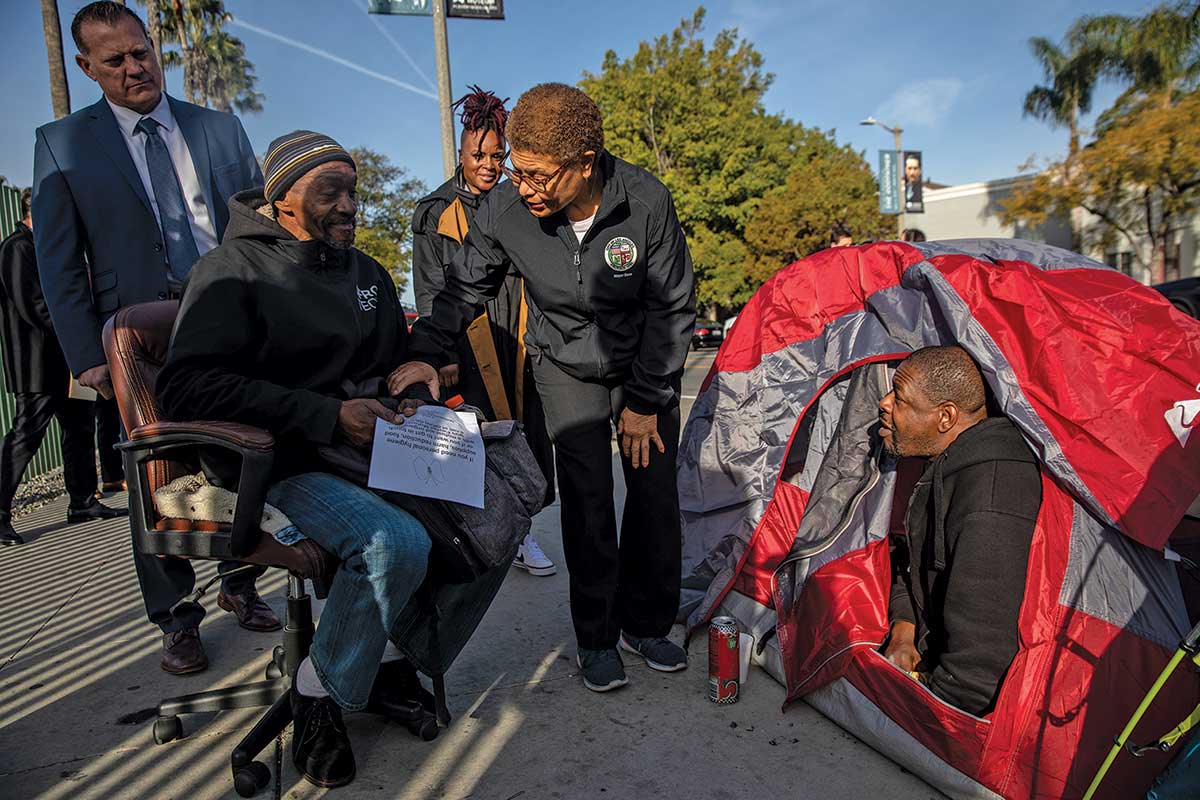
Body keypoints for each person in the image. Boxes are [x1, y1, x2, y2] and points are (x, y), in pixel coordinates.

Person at [157, 132, 443, 788]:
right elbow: (184, 386)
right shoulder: (232, 270)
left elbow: (390, 359)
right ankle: (319, 693)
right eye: (329, 192)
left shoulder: (365, 272)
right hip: (277, 462)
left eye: (353, 191)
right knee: (393, 543)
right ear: (283, 198)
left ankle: (385, 656)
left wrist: (415, 376)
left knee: (489, 506)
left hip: (367, 451)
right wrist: (324, 416)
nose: (349, 206)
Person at [391, 83, 696, 693]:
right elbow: (460, 290)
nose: (521, 186)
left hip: (642, 364)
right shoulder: (507, 210)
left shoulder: (645, 201)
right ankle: (597, 635)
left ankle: (646, 622)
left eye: (537, 175)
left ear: (585, 164)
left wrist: (644, 400)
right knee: (587, 503)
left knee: (654, 495)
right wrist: (425, 353)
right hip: (563, 366)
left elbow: (672, 306)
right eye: (516, 170)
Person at [32, 1, 272, 675]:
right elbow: (58, 261)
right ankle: (176, 617)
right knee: (155, 474)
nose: (135, 67)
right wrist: (86, 357)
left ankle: (240, 580)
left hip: (225, 323)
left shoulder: (219, 130)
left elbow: (260, 234)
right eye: (115, 60)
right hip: (134, 339)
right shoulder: (63, 144)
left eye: (141, 52)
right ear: (86, 67)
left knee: (238, 459)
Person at [411, 85, 556, 577]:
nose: (490, 164)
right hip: (466, 343)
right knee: (471, 440)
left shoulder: (519, 201)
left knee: (525, 438)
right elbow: (432, 284)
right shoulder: (435, 211)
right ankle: (471, 537)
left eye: (498, 155)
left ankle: (523, 534)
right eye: (479, 155)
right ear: (461, 153)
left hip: (517, 338)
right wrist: (439, 352)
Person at [878, 345, 1041, 716]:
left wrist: (927, 708)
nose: (884, 403)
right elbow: (914, 565)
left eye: (899, 398)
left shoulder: (991, 502)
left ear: (945, 416)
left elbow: (978, 675)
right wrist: (904, 629)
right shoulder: (944, 461)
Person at [0, 188, 126, 546]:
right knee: (26, 436)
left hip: (69, 357)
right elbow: (33, 306)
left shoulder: (52, 249)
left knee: (80, 428)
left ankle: (83, 501)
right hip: (36, 362)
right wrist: (78, 330)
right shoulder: (16, 248)